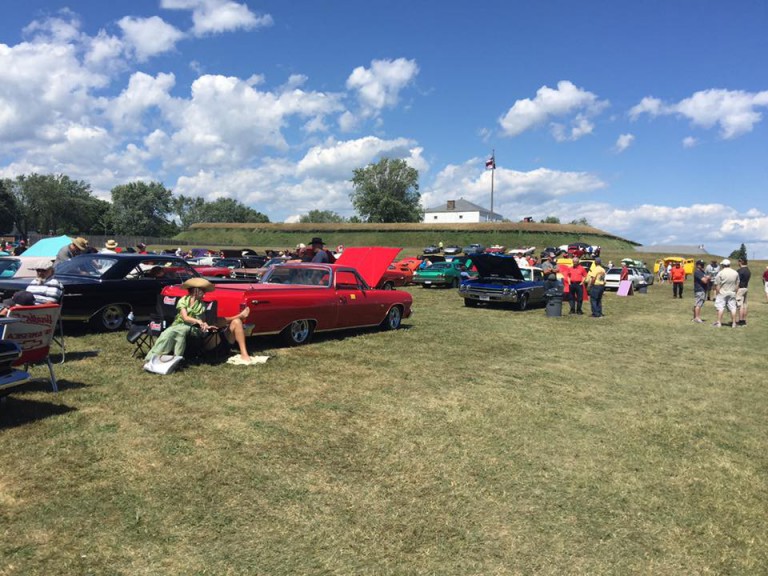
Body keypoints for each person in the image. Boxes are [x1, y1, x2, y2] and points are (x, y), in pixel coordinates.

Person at [145, 278, 253, 366]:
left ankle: (244, 354)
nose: (205, 293)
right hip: (182, 325)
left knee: (237, 321)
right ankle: (157, 357)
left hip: (199, 331)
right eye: (203, 291)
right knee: (172, 332)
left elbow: (206, 322)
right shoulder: (183, 300)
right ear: (196, 291)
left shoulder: (202, 305)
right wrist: (199, 321)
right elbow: (185, 317)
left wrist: (205, 325)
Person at [712, 259, 739, 328]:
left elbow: (717, 285)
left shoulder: (720, 273)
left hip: (722, 292)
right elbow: (737, 284)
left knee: (720, 307)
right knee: (733, 308)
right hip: (732, 292)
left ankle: (719, 323)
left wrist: (717, 293)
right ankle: (734, 323)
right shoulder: (735, 272)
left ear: (723, 265)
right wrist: (735, 291)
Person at [735, 258, 751, 326]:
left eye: (738, 261)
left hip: (740, 289)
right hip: (745, 288)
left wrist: (736, 290)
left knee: (740, 305)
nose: (738, 263)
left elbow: (737, 282)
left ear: (741, 262)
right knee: (745, 305)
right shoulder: (748, 270)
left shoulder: (739, 271)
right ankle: (744, 320)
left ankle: (741, 321)